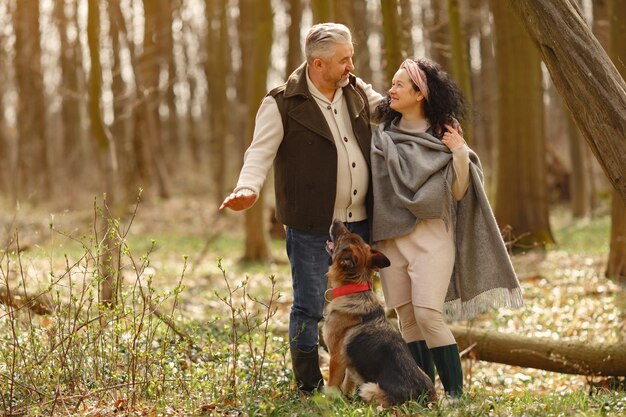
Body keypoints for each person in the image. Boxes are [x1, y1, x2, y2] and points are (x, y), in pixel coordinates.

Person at [219, 23, 383, 393]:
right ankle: (309, 386)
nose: (351, 66)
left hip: (360, 224)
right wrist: (247, 187)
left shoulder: (356, 91)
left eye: (351, 57)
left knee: (360, 306)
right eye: (344, 60)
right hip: (311, 226)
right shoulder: (282, 102)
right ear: (317, 64)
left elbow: (391, 111)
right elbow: (259, 152)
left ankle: (353, 385)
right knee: (310, 305)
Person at [370, 58, 523, 398]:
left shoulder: (444, 137)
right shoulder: (382, 136)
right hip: (391, 240)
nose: (390, 90)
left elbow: (457, 192)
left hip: (433, 239)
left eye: (399, 85)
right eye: (391, 84)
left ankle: (455, 396)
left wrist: (459, 153)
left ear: (420, 93)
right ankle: (423, 394)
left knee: (428, 315)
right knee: (407, 318)